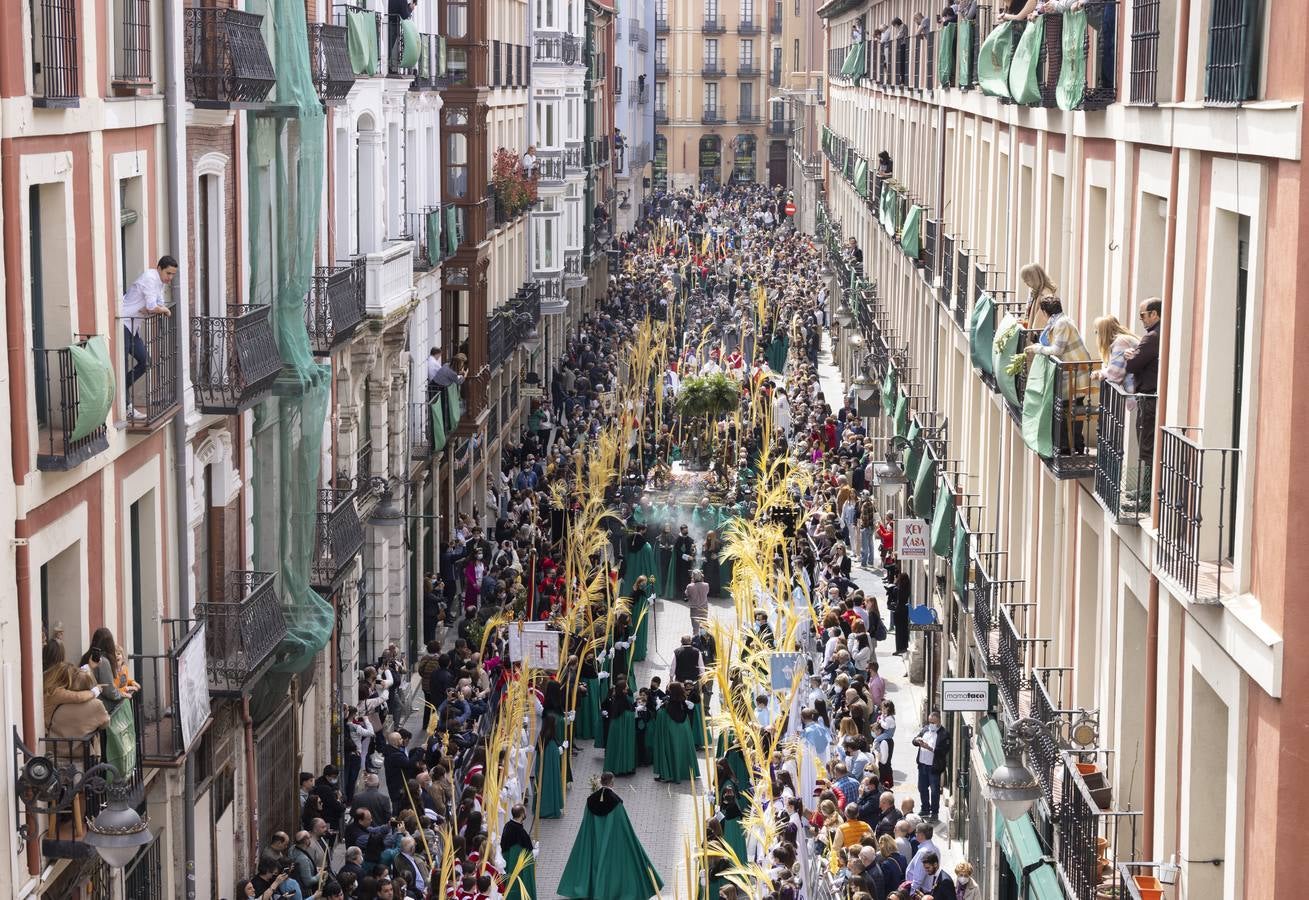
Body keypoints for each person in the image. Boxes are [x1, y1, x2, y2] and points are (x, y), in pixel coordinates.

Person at [558, 772, 663, 900]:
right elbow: (623, 826)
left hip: (594, 841)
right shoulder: (616, 802)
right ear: (612, 782)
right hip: (611, 842)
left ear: (601, 782)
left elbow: (587, 824)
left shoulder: (591, 800)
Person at [1024, 295, 1094, 455]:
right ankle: (1071, 445)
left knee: (1070, 408)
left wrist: (1037, 349)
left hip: (1075, 374)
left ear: (1044, 311)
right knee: (1069, 407)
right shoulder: (1060, 321)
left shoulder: (1061, 323)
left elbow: (1057, 350)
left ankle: (1072, 446)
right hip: (1072, 373)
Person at [119, 255, 177, 418]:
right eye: (168, 273)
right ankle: (126, 406)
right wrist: (163, 310)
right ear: (159, 268)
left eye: (173, 275)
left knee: (145, 362)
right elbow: (153, 306)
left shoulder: (158, 281)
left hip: (133, 328)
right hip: (124, 324)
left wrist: (158, 307)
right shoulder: (150, 279)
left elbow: (159, 302)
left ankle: (122, 388)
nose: (170, 278)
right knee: (127, 365)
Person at [1123, 297, 1161, 510]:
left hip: (1148, 398)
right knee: (1148, 444)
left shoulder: (1151, 338)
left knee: (1146, 446)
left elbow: (1133, 364)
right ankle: (1146, 492)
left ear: (1154, 314)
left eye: (1143, 315)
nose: (1141, 320)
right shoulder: (1159, 334)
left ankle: (1146, 497)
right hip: (1151, 396)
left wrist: (1130, 356)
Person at [651, 682, 700, 783]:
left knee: (670, 750)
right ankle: (683, 773)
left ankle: (669, 774)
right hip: (684, 731)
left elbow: (662, 716)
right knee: (681, 750)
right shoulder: (683, 703)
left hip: (670, 732)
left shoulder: (667, 707)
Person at [911, 711, 951, 822]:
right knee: (922, 788)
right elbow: (914, 740)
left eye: (933, 722)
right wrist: (917, 740)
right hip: (922, 765)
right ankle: (925, 809)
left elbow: (944, 751)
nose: (931, 724)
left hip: (934, 767)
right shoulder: (925, 730)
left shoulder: (944, 734)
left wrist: (930, 748)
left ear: (939, 721)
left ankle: (934, 812)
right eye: (929, 722)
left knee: (934, 791)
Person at [601, 675, 637, 776]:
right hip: (621, 727)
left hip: (620, 727)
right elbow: (625, 714)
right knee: (620, 745)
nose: (628, 689)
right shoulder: (620, 701)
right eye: (626, 687)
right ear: (622, 690)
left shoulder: (620, 699)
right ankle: (621, 767)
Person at [501, 804, 537, 900]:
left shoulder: (507, 826)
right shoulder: (520, 833)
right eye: (524, 812)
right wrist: (535, 852)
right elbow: (526, 853)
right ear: (521, 814)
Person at [1091, 315, 1138, 386]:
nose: (1095, 333)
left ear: (1103, 333)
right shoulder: (1121, 340)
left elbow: (1114, 375)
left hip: (1133, 390)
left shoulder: (1121, 342)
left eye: (1096, 331)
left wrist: (1100, 374)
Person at [889, 571, 911, 655]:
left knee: (898, 631)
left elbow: (895, 597)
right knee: (904, 629)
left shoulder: (898, 589)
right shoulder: (907, 588)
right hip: (905, 610)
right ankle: (904, 647)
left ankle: (899, 648)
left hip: (898, 611)